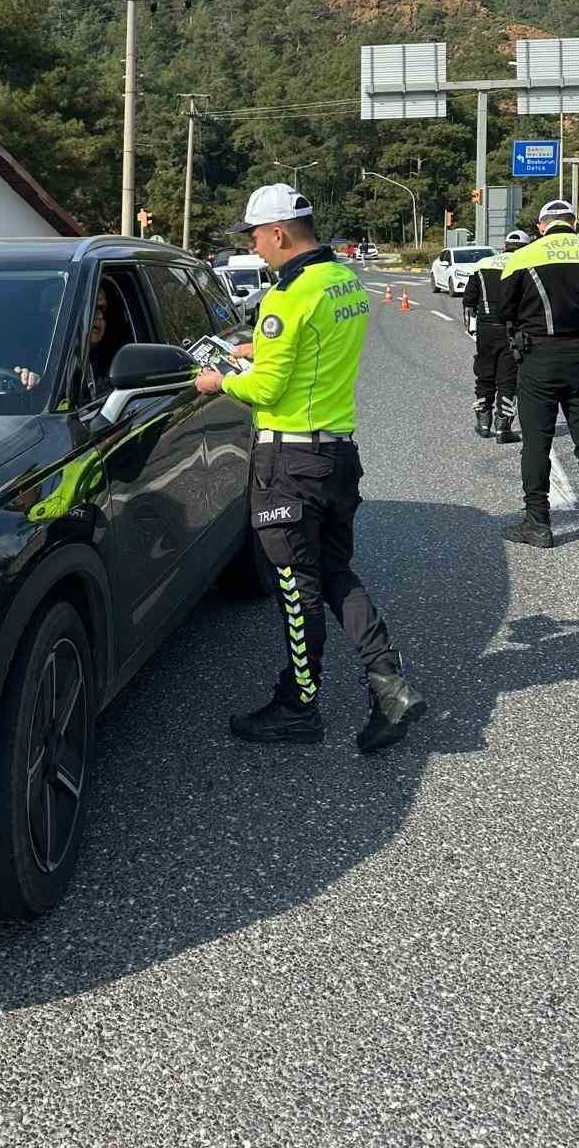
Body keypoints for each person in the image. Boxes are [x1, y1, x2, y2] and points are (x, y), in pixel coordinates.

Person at [194, 183, 426, 752]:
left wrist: (220, 378)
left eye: (254, 235)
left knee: (296, 587)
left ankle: (299, 705)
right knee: (334, 572)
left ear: (278, 233)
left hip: (289, 459)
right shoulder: (343, 281)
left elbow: (269, 386)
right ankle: (389, 682)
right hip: (337, 453)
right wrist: (258, 349)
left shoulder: (285, 297)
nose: (254, 246)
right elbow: (309, 349)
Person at [499, 198, 579, 549]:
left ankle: (538, 524)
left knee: (537, 443)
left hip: (537, 356)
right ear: (575, 224)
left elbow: (502, 309)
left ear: (541, 227)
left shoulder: (522, 257)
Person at [461, 229, 529, 443]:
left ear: (505, 245)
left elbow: (469, 298)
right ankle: (503, 427)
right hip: (512, 327)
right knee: (508, 377)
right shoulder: (526, 264)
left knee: (485, 374)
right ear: (525, 247)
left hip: (485, 327)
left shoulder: (483, 263)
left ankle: (483, 423)